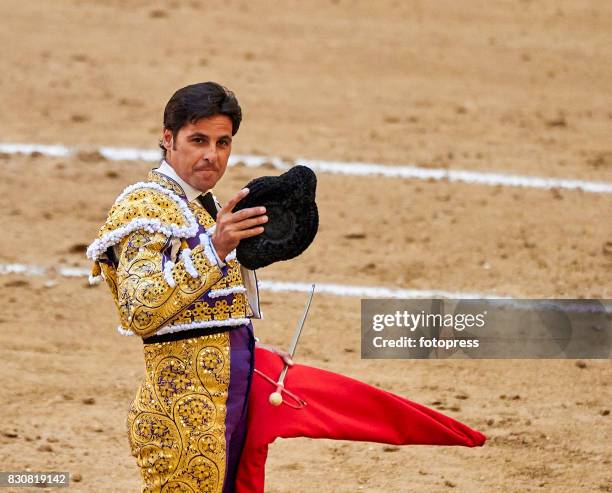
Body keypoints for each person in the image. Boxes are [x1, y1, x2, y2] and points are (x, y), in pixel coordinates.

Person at [86, 82, 287, 493]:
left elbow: (207, 315)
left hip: (224, 406)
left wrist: (253, 355)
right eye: (198, 140)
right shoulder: (145, 207)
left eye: (222, 142)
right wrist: (215, 247)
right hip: (181, 418)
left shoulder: (203, 205)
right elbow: (140, 310)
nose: (211, 155)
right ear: (168, 139)